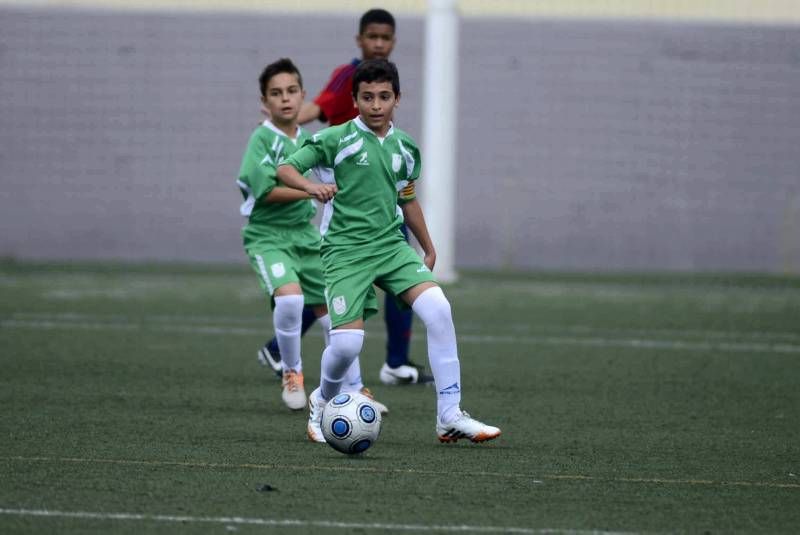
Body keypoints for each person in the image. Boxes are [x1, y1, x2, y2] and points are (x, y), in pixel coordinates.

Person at [277, 59, 501, 444]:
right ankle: (322, 399)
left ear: (398, 98)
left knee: (440, 310)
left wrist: (428, 247)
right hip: (345, 251)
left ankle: (449, 415)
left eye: (384, 97)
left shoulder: (406, 147)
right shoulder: (336, 139)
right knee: (347, 344)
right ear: (355, 99)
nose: (376, 105)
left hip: (390, 246)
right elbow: (286, 168)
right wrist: (312, 188)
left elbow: (407, 198)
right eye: (367, 97)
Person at [260, 7, 433, 386]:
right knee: (338, 279)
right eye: (372, 36)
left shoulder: (384, 82)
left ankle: (396, 361)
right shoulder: (347, 76)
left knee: (400, 268)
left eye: (385, 38)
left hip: (379, 191)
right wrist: (284, 122)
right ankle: (284, 352)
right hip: (345, 187)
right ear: (360, 40)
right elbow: (318, 109)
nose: (378, 43)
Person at [237, 58, 387, 413]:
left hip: (306, 238)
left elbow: (340, 178)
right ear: (264, 102)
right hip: (268, 237)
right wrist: (311, 190)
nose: (285, 99)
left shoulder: (310, 140)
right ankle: (292, 372)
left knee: (337, 315)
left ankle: (352, 390)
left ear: (303, 96)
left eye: (291, 91)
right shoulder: (262, 139)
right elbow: (266, 191)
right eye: (276, 93)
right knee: (289, 300)